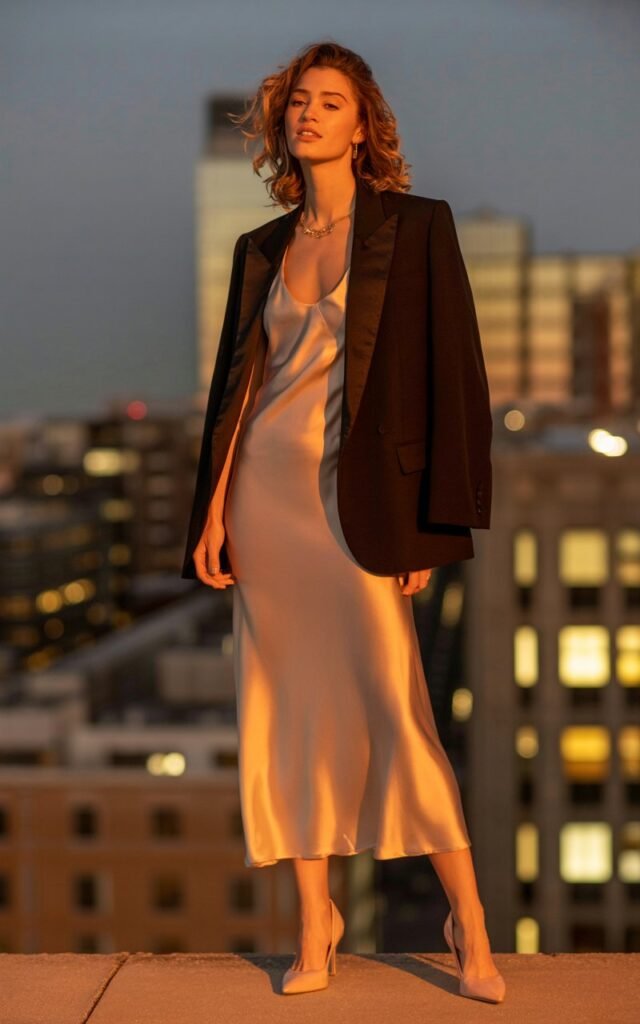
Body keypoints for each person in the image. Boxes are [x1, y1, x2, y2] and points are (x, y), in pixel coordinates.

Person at [181, 41, 505, 1004]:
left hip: (359, 511)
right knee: (284, 717)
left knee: (396, 711)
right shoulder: (261, 250)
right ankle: (313, 926)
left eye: (332, 102)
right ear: (284, 126)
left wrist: (434, 530)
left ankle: (470, 927)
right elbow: (236, 391)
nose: (311, 115)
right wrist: (210, 509)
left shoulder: (415, 228)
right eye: (299, 104)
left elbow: (457, 380)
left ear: (364, 124)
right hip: (264, 507)